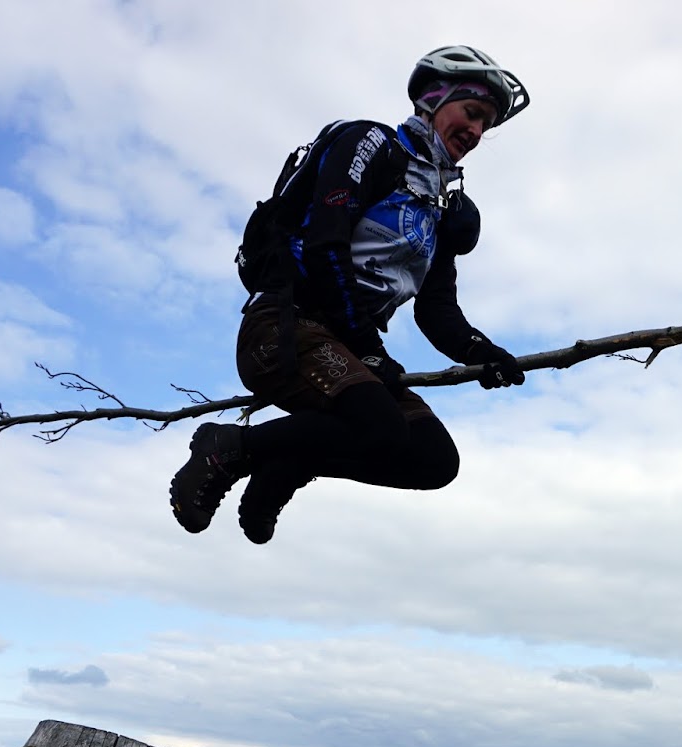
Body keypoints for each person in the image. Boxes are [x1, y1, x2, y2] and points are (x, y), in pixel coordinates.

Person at [170, 45, 530, 544]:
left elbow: (437, 309)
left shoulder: (437, 207)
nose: (476, 131)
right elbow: (325, 245)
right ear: (433, 99)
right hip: (283, 328)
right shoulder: (371, 144)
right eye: (472, 112)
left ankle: (283, 466)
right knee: (381, 427)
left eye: (486, 124)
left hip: (347, 348)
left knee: (433, 458)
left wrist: (480, 351)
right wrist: (368, 345)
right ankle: (229, 446)